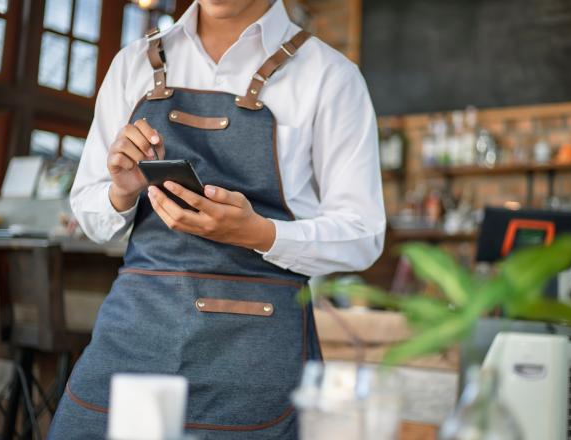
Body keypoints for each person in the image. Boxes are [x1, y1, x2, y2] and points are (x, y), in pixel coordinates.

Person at [48, 0, 385, 438]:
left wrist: (258, 233)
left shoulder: (330, 76)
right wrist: (122, 188)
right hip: (135, 331)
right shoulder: (133, 62)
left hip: (255, 352)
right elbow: (92, 216)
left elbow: (364, 234)